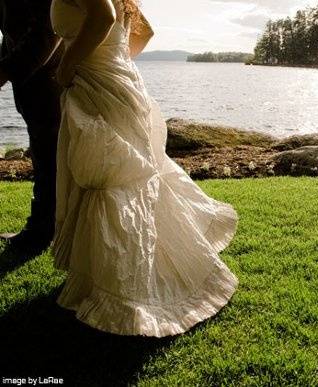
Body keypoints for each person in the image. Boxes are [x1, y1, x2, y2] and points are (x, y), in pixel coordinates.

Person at [50, 0, 239, 337]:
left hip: (102, 85)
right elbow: (144, 32)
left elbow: (104, 17)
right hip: (114, 80)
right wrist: (114, 57)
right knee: (121, 175)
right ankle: (104, 278)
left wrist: (69, 64)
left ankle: (125, 294)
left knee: (114, 177)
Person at [0, 0, 63, 253]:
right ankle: (42, 227)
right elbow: (11, 31)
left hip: (49, 79)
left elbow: (47, 31)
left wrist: (4, 70)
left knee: (50, 157)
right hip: (31, 82)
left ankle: (41, 231)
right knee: (43, 154)